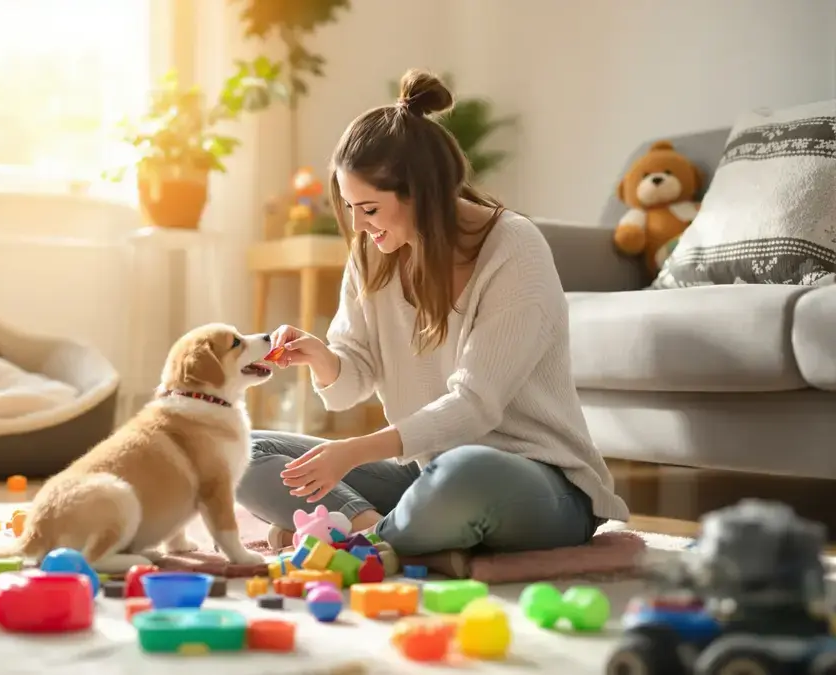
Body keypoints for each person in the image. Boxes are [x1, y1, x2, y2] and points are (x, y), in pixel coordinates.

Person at [236, 69, 629, 575]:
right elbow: (352, 376)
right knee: (243, 450)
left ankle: (348, 537)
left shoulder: (514, 248)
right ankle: (374, 534)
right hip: (426, 471)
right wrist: (323, 358)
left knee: (465, 473)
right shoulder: (374, 253)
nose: (358, 225)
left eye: (370, 207)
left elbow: (475, 406)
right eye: (352, 207)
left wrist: (352, 452)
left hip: (533, 480)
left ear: (421, 192)